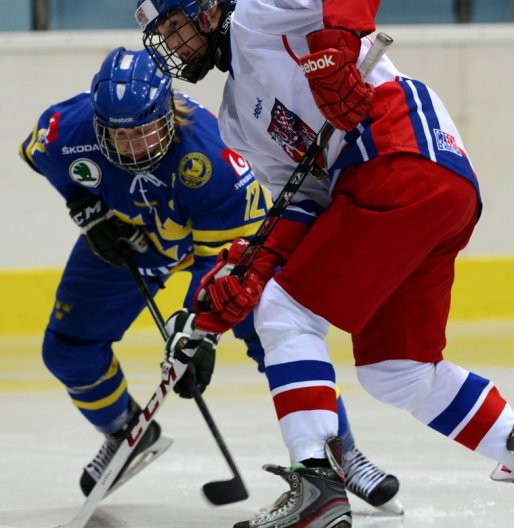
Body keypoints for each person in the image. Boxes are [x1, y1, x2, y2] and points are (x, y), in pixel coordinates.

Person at [136, 1, 514, 527]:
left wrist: (334, 49)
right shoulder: (235, 121)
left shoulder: (261, 9)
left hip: (398, 150)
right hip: (422, 187)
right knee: (398, 371)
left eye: (174, 25)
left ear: (206, 9)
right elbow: (304, 206)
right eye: (161, 32)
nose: (171, 42)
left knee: (283, 314)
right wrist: (247, 268)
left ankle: (316, 484)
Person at [19, 46, 401, 510]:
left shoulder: (214, 161)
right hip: (136, 239)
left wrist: (198, 335)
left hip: (220, 247)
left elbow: (220, 265)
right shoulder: (69, 131)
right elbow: (41, 155)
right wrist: (88, 210)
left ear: (169, 113)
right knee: (66, 349)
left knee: (275, 336)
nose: (133, 147)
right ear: (98, 125)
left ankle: (340, 453)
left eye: (143, 132)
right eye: (119, 137)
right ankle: (125, 432)